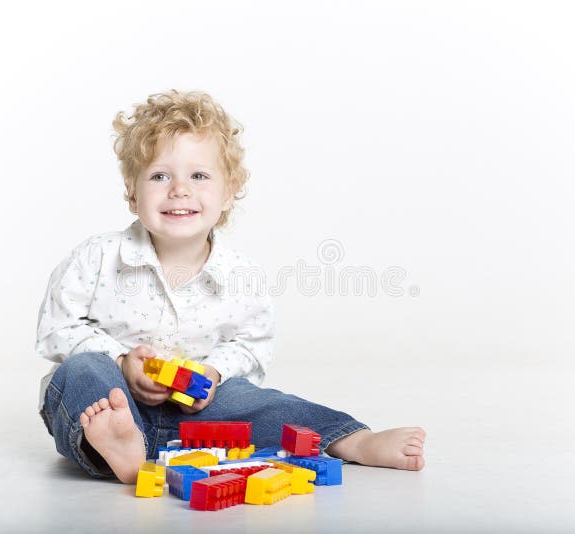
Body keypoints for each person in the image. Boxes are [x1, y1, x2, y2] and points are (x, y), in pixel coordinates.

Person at [35, 90, 426, 483]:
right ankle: (118, 448)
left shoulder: (240, 274)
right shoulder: (97, 258)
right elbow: (56, 330)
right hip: (115, 397)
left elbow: (252, 345)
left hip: (201, 415)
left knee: (260, 403)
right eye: (159, 175)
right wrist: (120, 363)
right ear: (133, 193)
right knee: (82, 372)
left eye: (199, 176)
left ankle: (353, 441)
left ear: (228, 192)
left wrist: (213, 374)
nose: (179, 189)